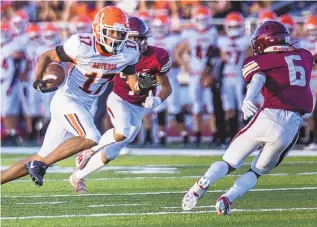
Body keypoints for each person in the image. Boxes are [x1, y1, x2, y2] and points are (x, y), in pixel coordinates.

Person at [182, 21, 315, 215]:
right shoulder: (304, 56)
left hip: (268, 115)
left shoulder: (260, 61)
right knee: (256, 171)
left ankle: (202, 183)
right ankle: (227, 199)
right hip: (291, 125)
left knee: (229, 162)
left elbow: (258, 77)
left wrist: (249, 98)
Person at [1, 6, 141, 186]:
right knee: (92, 136)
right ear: (99, 29)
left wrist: (140, 86)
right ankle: (42, 165)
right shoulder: (81, 44)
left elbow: (132, 81)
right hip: (67, 100)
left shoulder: (129, 51)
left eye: (121, 33)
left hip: (83, 106)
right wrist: (38, 80)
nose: (116, 38)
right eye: (112, 32)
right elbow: (46, 56)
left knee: (42, 155)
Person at [69, 16, 172, 193]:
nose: (137, 42)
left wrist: (157, 100)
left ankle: (77, 177)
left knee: (113, 152)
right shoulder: (117, 53)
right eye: (132, 38)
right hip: (119, 98)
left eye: (140, 38)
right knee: (123, 130)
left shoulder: (157, 56)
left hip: (138, 107)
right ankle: (90, 149)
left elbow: (166, 87)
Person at [175, 5, 218, 145]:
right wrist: (186, 67)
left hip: (208, 74)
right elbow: (178, 52)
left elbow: (216, 54)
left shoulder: (213, 32)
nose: (201, 22)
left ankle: (214, 134)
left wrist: (210, 71)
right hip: (195, 74)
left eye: (203, 19)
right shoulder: (190, 34)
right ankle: (198, 134)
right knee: (196, 106)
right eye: (199, 19)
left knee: (211, 106)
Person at [147, 15, 188, 146]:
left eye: (161, 27)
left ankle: (184, 135)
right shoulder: (149, 40)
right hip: (155, 79)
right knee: (159, 108)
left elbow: (183, 51)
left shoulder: (174, 39)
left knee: (175, 107)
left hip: (170, 78)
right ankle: (162, 135)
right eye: (156, 27)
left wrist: (173, 61)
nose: (159, 30)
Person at [216, 12, 251, 141]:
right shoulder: (222, 41)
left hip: (239, 77)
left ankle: (247, 137)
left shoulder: (245, 41)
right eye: (231, 27)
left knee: (244, 107)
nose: (234, 30)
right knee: (229, 108)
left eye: (236, 27)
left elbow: (249, 59)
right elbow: (219, 58)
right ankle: (232, 136)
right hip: (226, 77)